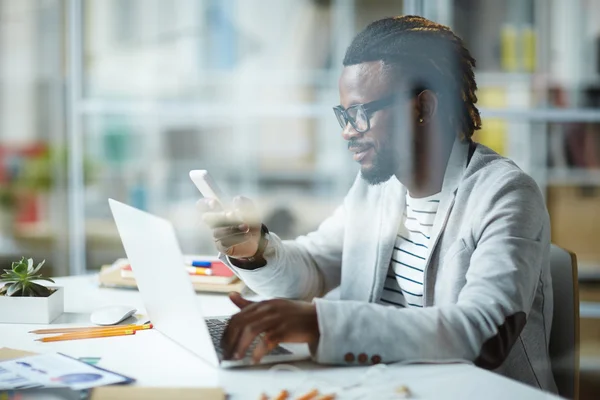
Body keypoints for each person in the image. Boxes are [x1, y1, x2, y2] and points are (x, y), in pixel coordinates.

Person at [198, 15, 556, 392]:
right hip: (381, 385)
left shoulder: (506, 194)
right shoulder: (378, 189)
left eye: (361, 113)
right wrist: (253, 251)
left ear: (423, 108)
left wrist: (320, 323)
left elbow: (484, 333)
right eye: (343, 114)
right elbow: (315, 268)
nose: (347, 131)